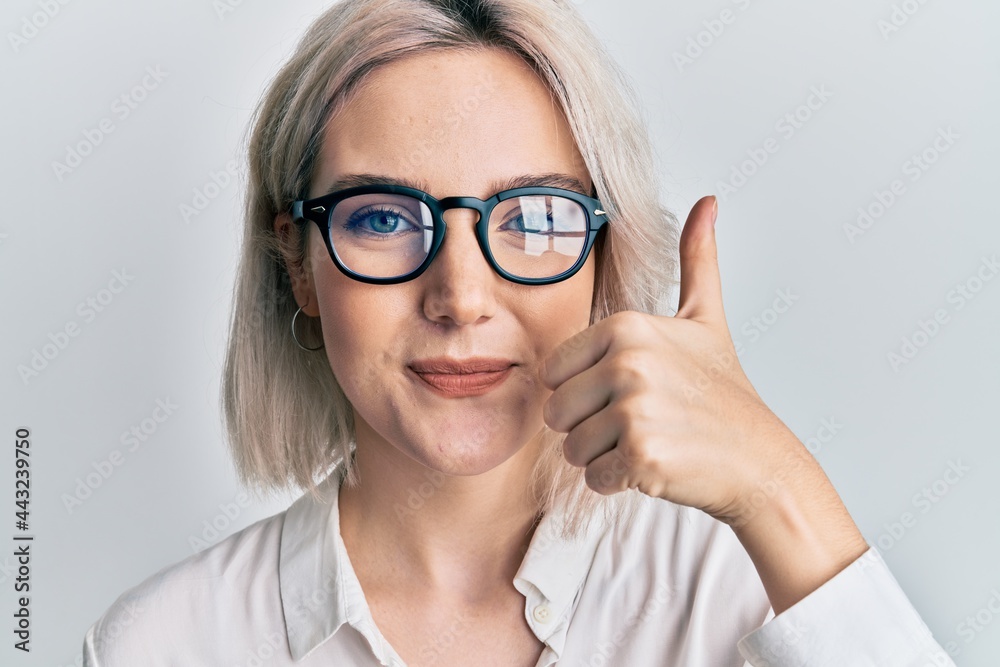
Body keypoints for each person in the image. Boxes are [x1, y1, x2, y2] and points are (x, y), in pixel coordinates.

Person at [82, 0, 956, 665]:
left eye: (533, 215)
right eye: (383, 218)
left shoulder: (746, 594)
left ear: (603, 258)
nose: (461, 296)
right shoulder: (162, 642)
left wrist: (777, 482)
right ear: (298, 265)